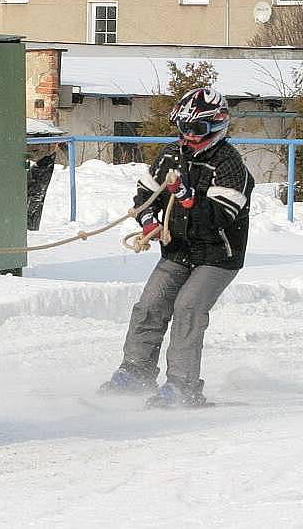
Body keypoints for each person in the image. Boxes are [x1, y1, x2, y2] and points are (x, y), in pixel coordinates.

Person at [99, 87, 253, 407]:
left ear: (216, 126)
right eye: (183, 128)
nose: (188, 137)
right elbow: (145, 195)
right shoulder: (171, 155)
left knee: (187, 308)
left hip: (218, 255)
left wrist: (185, 197)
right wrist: (149, 222)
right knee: (150, 304)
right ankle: (136, 371)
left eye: (196, 129)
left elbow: (220, 217)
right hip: (178, 249)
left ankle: (183, 387)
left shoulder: (230, 165)